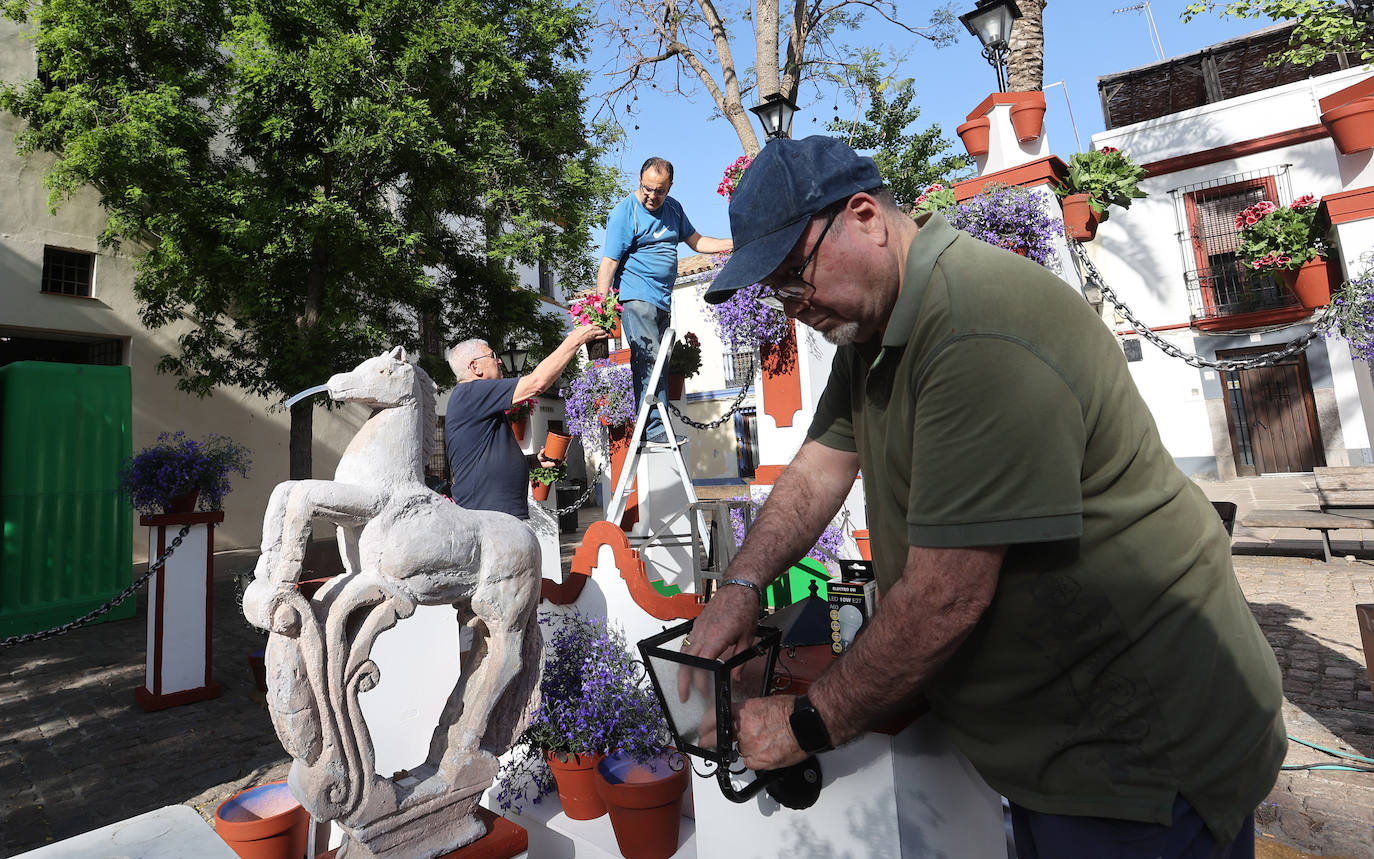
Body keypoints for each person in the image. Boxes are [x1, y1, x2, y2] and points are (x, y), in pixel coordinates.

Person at [689, 136, 1285, 858]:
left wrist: (805, 724)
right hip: (1058, 744)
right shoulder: (873, 329)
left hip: (1139, 749)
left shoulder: (975, 326)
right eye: (778, 292)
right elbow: (819, 468)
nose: (795, 307)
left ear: (866, 217)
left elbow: (945, 595)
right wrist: (742, 586)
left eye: (796, 275)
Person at [596, 157, 733, 444]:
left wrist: (734, 243)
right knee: (649, 359)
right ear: (639, 181)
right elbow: (609, 262)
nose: (652, 195)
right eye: (647, 188)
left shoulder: (674, 209)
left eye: (659, 190)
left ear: (670, 187)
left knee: (660, 361)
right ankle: (654, 427)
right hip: (636, 296)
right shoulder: (625, 213)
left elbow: (697, 241)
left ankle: (654, 425)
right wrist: (600, 310)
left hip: (662, 299)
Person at [444, 325, 605, 518]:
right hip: (487, 515)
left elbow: (487, 456)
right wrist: (576, 340)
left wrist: (533, 461)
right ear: (475, 367)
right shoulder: (471, 392)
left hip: (494, 514)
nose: (499, 361)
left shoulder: (474, 398)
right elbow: (537, 383)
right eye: (492, 356)